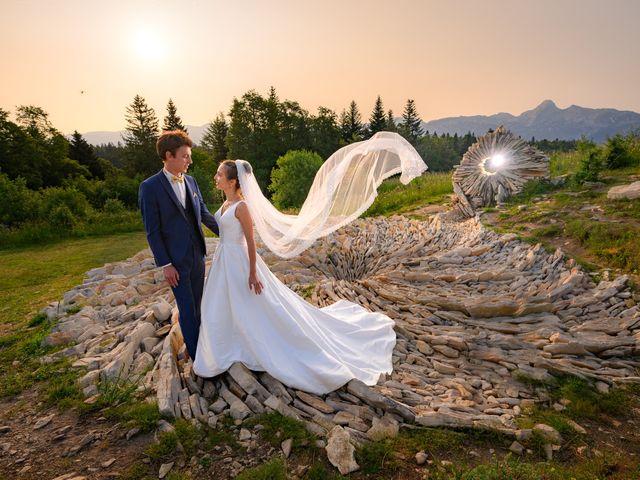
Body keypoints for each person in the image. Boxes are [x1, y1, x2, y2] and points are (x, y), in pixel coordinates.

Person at [192, 132, 427, 394]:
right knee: (222, 303)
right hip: (223, 260)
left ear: (233, 180)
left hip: (238, 261)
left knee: (253, 304)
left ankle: (255, 347)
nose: (215, 178)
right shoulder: (225, 204)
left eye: (219, 175)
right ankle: (227, 346)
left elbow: (249, 241)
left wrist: (252, 273)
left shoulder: (242, 208)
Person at [138, 130, 219, 361]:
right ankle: (198, 358)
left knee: (199, 306)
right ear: (168, 155)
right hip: (175, 262)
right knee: (186, 309)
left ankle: (204, 346)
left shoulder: (191, 181)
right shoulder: (150, 187)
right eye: (185, 156)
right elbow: (152, 232)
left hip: (197, 256)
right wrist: (166, 264)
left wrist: (228, 233)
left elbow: (203, 213)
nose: (190, 161)